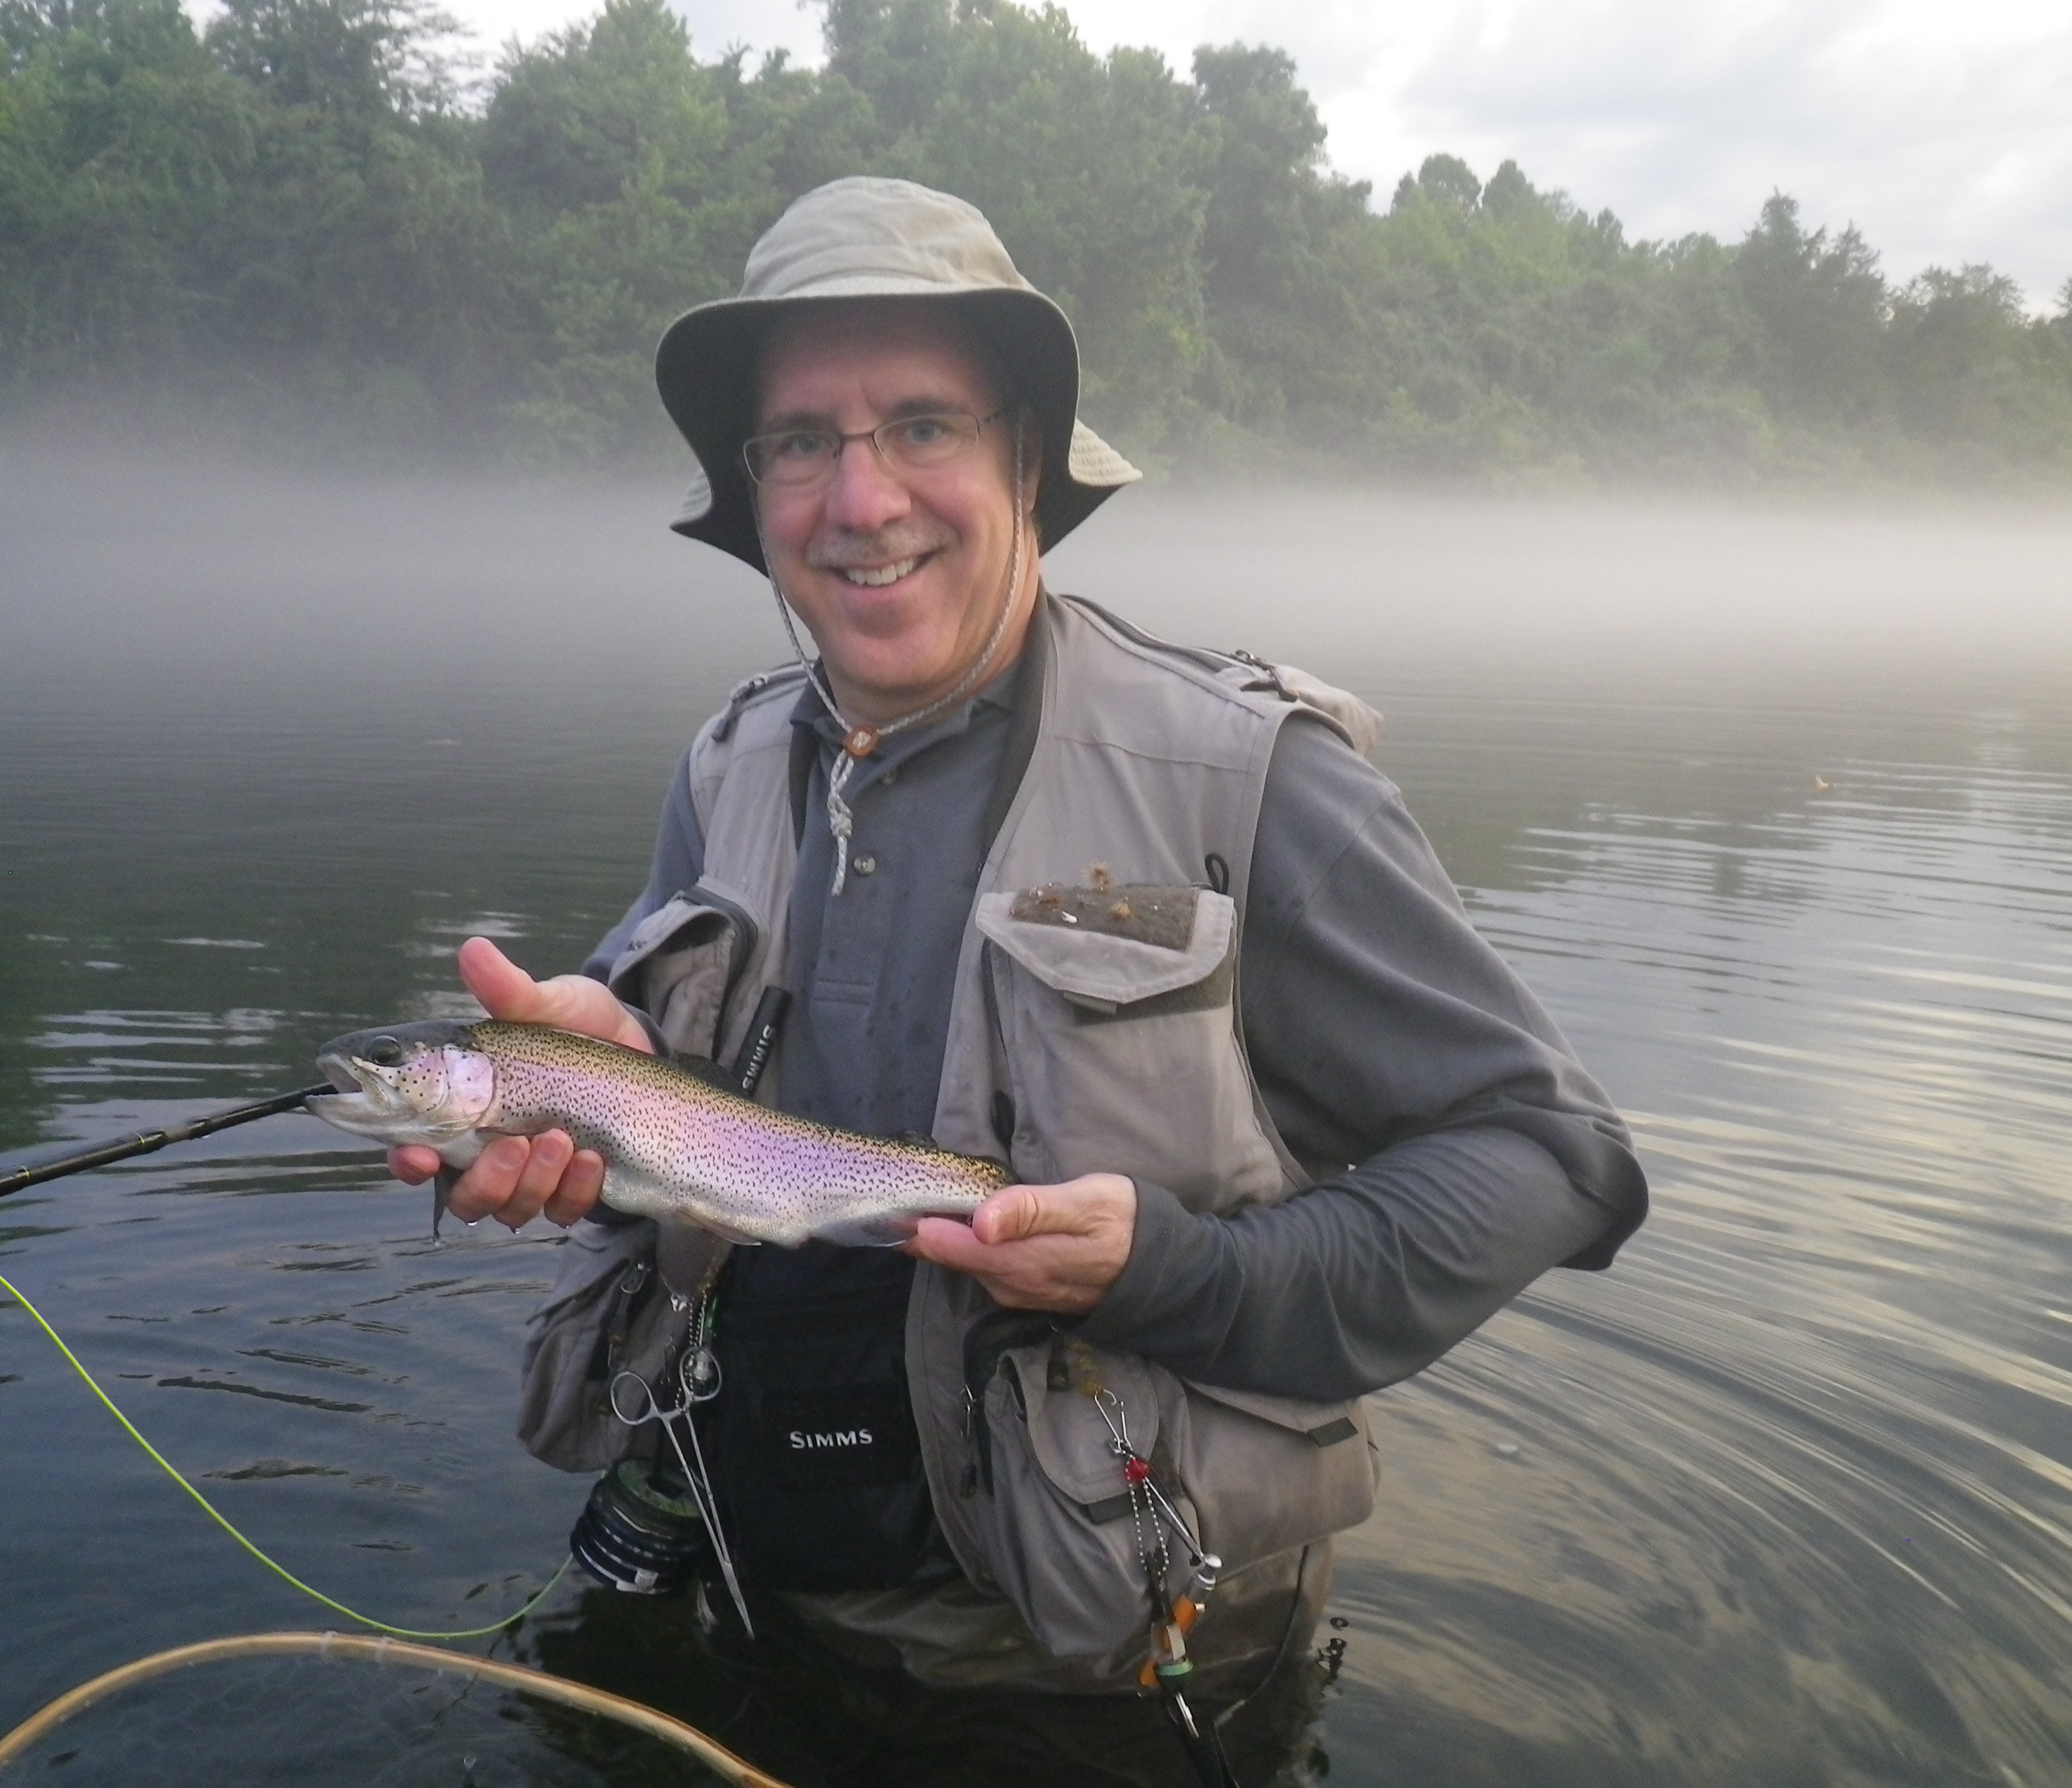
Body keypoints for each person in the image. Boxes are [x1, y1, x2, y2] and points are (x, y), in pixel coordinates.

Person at [385, 177, 1647, 1786]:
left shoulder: (1251, 784)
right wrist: (610, 1116)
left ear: (1026, 463)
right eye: (800, 442)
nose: (861, 500)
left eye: (924, 425)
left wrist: (1178, 1273)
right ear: (754, 485)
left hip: (1095, 1685)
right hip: (758, 1593)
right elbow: (750, 1177)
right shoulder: (726, 763)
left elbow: (1557, 1162)